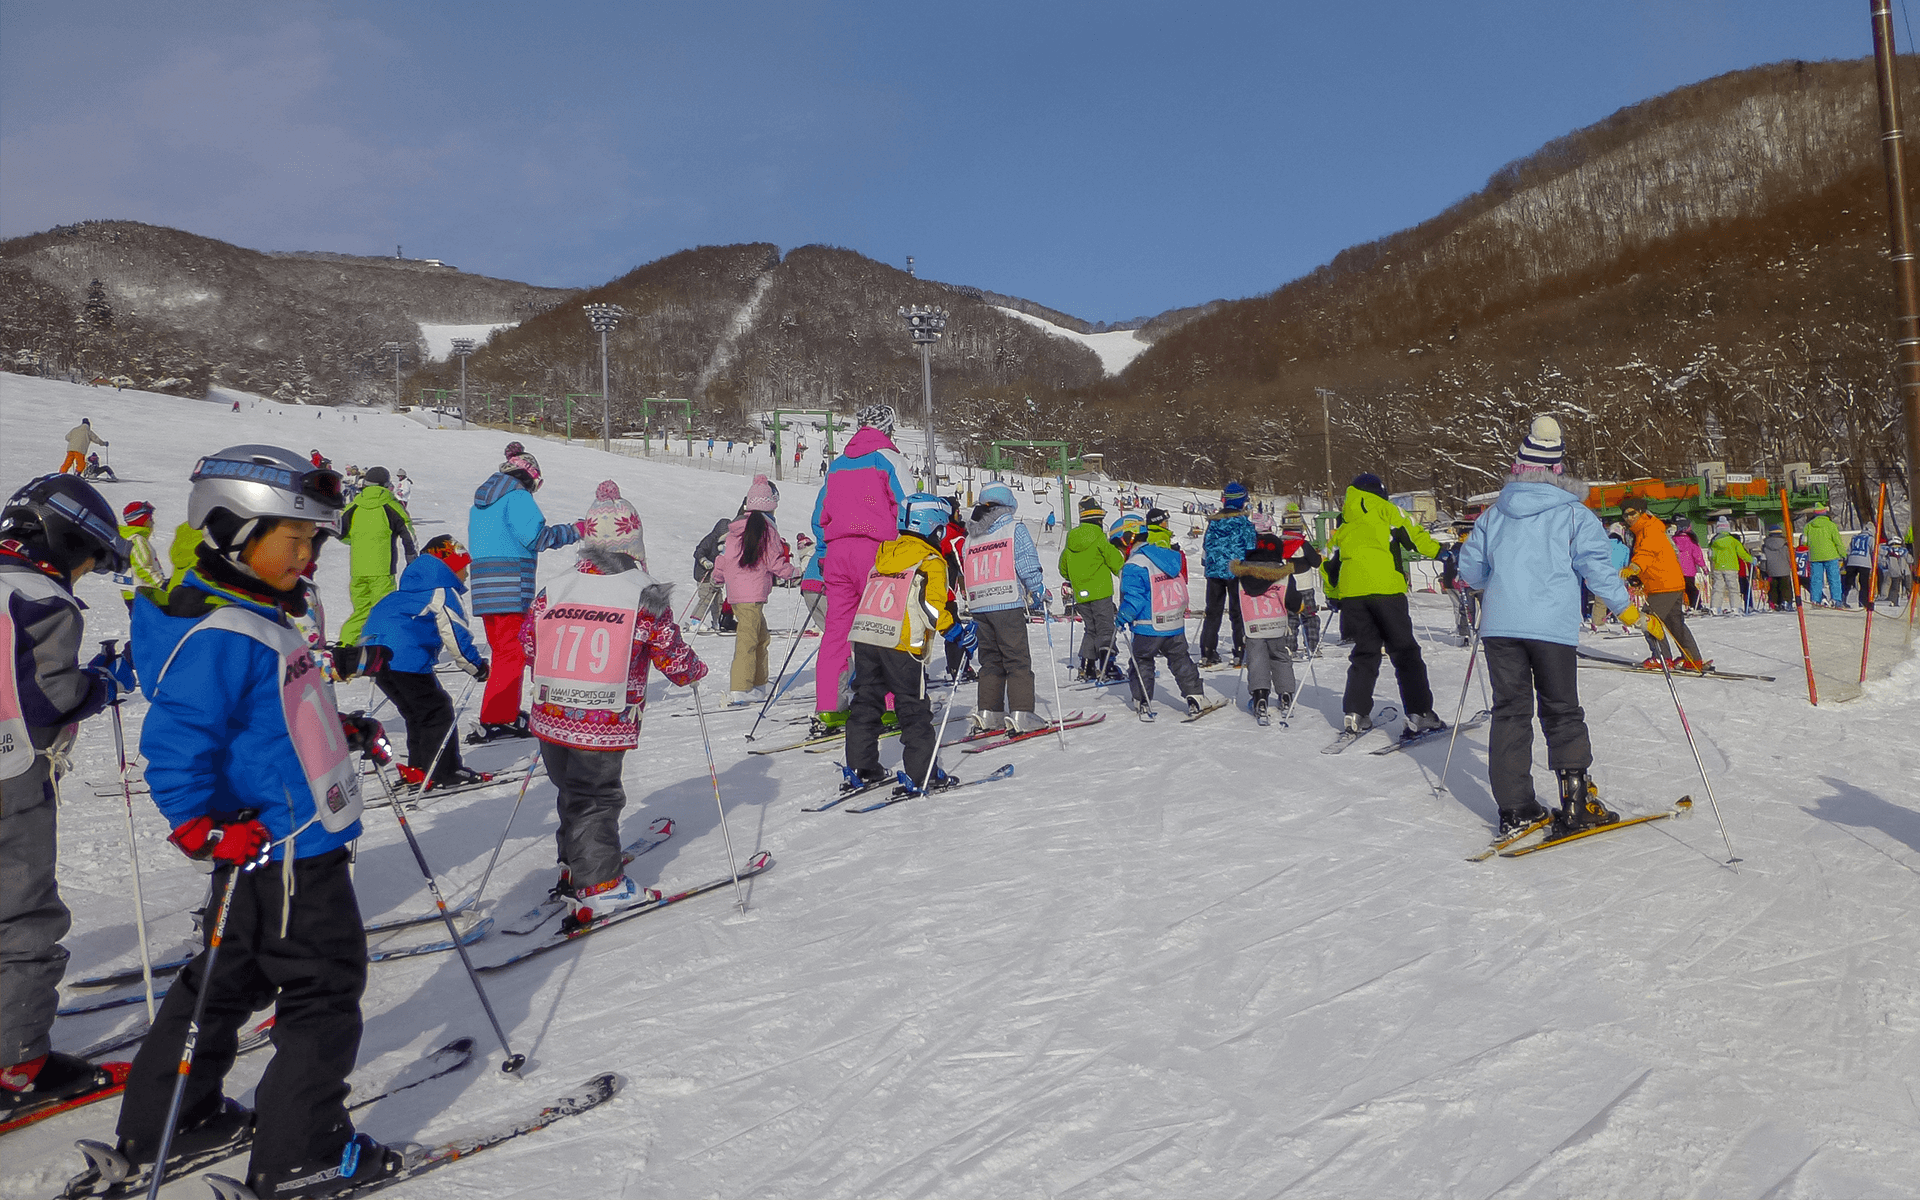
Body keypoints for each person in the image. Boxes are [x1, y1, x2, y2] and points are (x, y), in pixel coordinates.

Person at [116, 443, 405, 1195]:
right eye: (294, 538)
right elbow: (178, 741)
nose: (308, 557)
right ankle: (303, 1150)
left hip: (266, 842)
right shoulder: (225, 632)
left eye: (315, 540)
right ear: (232, 531)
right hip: (288, 849)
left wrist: (336, 729)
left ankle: (170, 1120)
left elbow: (270, 715)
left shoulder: (255, 612)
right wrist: (197, 827)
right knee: (322, 991)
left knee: (221, 982)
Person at [1457, 416, 1658, 837]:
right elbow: (1598, 572)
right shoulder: (1573, 514)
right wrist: (1628, 612)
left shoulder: (1494, 514)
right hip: (1550, 627)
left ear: (1518, 468)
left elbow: (1471, 568)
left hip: (1501, 627)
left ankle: (1516, 808)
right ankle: (1575, 800)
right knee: (1561, 709)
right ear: (1558, 471)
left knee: (1510, 712)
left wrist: (1497, 587)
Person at [0, 476, 128, 1121]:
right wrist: (101, 682)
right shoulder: (42, 597)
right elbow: (50, 695)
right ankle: (15, 1064)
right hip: (9, 771)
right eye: (87, 561)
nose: (82, 576)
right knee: (20, 912)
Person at [523, 482, 706, 931]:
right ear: (633, 544)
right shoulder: (642, 590)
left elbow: (530, 642)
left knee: (571, 791)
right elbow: (668, 650)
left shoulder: (558, 586)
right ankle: (599, 883)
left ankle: (575, 863)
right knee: (597, 796)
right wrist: (691, 671)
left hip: (552, 713)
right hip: (601, 718)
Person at [803, 405, 908, 737]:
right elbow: (908, 505)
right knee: (883, 627)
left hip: (837, 553)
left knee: (837, 631)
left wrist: (825, 550)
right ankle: (891, 705)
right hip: (876, 551)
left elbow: (821, 513)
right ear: (888, 428)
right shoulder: (888, 459)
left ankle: (830, 705)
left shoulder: (837, 465)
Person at [467, 452, 585, 743]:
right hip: (510, 583)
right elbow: (536, 537)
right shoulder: (517, 497)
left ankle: (501, 711)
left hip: (485, 587)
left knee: (503, 653)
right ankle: (497, 717)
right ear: (530, 478)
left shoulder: (481, 503)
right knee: (513, 653)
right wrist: (575, 531)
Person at [843, 494, 957, 792]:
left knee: (866, 702)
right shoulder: (930, 561)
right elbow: (932, 609)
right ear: (934, 528)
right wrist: (955, 630)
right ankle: (923, 773)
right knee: (912, 708)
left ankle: (861, 765)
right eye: (941, 529)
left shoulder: (884, 555)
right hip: (902, 643)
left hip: (867, 637)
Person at [358, 536, 489, 789]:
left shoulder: (407, 591)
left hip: (376, 656)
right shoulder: (441, 591)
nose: (466, 575)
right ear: (448, 567)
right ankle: (444, 772)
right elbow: (456, 635)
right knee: (437, 710)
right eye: (463, 568)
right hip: (404, 657)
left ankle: (418, 770)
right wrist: (477, 667)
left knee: (417, 713)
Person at [1326, 473, 1443, 738]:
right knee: (1404, 652)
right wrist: (1440, 552)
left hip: (1353, 595)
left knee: (1365, 652)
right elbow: (1414, 536)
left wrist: (1334, 593)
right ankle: (1420, 713)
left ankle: (1355, 712)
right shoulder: (1388, 511)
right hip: (1386, 590)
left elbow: (1328, 560)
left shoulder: (1345, 522)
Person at [962, 483, 1047, 734]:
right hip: (1006, 601)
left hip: (980, 604)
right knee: (1017, 660)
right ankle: (1022, 713)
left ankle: (989, 711)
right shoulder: (1013, 529)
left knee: (990, 661)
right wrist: (1038, 590)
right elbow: (1026, 563)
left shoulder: (972, 536)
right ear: (1008, 506)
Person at [711, 475, 797, 704]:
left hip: (740, 594)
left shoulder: (737, 528)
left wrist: (717, 578)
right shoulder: (767, 530)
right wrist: (794, 573)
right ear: (771, 504)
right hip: (752, 593)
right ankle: (741, 687)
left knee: (761, 637)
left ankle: (759, 684)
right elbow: (774, 562)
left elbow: (724, 558)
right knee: (748, 639)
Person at [1117, 506, 1206, 720]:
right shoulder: (1167, 557)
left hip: (1149, 625)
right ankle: (1195, 696)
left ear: (1127, 541)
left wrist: (1122, 618)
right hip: (1173, 622)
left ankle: (1142, 699)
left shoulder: (1134, 565)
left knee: (1142, 659)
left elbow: (1134, 598)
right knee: (1180, 659)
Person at [1620, 496, 1710, 671]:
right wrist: (1640, 578)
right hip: (1669, 583)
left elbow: (1647, 552)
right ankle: (1692, 659)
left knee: (1648, 620)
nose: (1629, 518)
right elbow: (1655, 558)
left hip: (1663, 585)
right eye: (1625, 515)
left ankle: (1661, 657)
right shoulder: (1646, 529)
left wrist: (1634, 567)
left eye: (1632, 513)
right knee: (1675, 623)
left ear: (1641, 512)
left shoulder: (1648, 529)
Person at [334, 466, 415, 650]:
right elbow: (407, 531)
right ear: (385, 484)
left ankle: (344, 649)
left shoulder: (354, 505)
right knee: (384, 611)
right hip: (382, 569)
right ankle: (382, 652)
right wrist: (412, 557)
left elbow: (339, 529)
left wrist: (354, 541)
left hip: (358, 569)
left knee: (361, 611)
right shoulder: (390, 505)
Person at [1229, 526, 1296, 723]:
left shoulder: (1240, 576)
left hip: (1253, 625)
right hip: (1276, 624)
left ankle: (1260, 696)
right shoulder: (1283, 574)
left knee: (1256, 660)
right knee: (1280, 657)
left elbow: (1235, 603)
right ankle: (1285, 695)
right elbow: (1293, 600)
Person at [1059, 495, 1124, 682]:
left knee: (1091, 629)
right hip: (1101, 592)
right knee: (1105, 628)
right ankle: (1107, 666)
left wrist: (1075, 577)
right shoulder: (1100, 538)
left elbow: (1063, 567)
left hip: (1081, 594)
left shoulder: (1071, 540)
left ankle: (1087, 667)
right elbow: (1116, 562)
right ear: (1098, 520)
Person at [1197, 481, 1257, 667]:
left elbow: (1206, 546)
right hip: (1236, 571)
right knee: (1237, 612)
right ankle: (1240, 651)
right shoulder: (1243, 523)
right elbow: (1251, 547)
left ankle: (1208, 651)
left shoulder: (1213, 523)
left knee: (1213, 612)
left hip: (1214, 571)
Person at [1278, 506, 1325, 655]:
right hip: (1305, 586)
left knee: (1290, 618)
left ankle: (1289, 647)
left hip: (1287, 587)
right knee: (1310, 617)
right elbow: (1316, 562)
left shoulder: (1279, 544)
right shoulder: (1304, 545)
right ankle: (1312, 646)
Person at [118, 499, 171, 608]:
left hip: (131, 592)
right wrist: (162, 583)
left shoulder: (124, 539)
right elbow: (143, 567)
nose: (153, 522)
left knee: (139, 621)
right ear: (142, 520)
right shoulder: (137, 541)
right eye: (150, 519)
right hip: (144, 593)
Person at [1706, 519, 1754, 615]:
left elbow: (1712, 556)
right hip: (1731, 567)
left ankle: (1715, 607)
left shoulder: (1714, 541)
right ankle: (1735, 608)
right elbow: (1742, 553)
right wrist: (1751, 559)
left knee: (1718, 588)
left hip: (1718, 567)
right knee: (1733, 589)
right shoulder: (1733, 541)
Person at [1803, 505, 1844, 606]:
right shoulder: (1831, 525)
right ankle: (1836, 599)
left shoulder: (1808, 526)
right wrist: (1843, 554)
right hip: (1831, 555)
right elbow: (1837, 541)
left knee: (1816, 580)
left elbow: (1804, 542)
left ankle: (1816, 600)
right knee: (1834, 579)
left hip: (1815, 556)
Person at [1672, 521, 1707, 611]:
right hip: (1689, 569)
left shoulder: (1672, 540)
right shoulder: (1691, 540)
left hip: (1675, 569)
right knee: (1691, 589)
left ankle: (1676, 608)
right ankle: (1695, 605)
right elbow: (1697, 555)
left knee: (1677, 590)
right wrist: (1703, 566)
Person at [1843, 523, 1877, 609]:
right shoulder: (1871, 539)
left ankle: (1843, 599)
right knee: (1864, 583)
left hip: (1852, 562)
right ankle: (1863, 602)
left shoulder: (1854, 538)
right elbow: (1874, 552)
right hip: (1864, 563)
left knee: (1848, 582)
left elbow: (1848, 551)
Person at [1761, 523, 1794, 610]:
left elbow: (1763, 559)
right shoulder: (1785, 545)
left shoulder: (1765, 546)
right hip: (1784, 570)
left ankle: (1775, 603)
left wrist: (1764, 570)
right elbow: (1789, 557)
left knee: (1774, 588)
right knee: (1785, 587)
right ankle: (1786, 602)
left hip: (1771, 570)